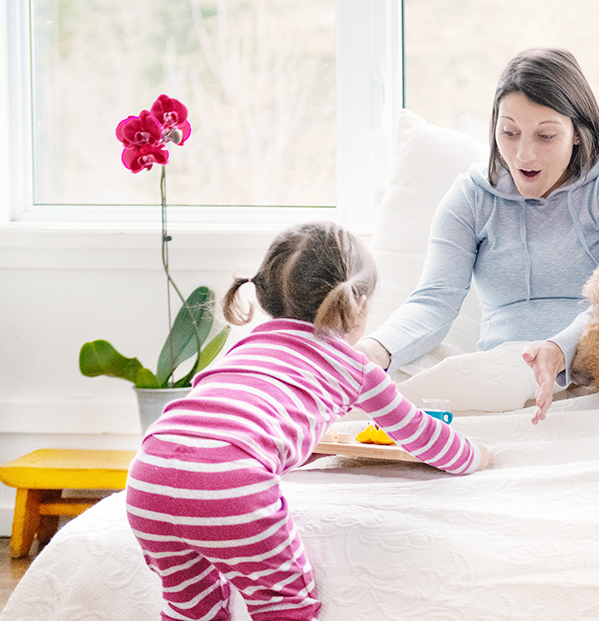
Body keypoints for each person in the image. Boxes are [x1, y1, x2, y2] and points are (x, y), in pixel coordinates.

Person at [125, 221, 492, 621]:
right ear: (359, 304)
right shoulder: (355, 366)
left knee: (190, 606)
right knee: (282, 602)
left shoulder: (244, 347)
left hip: (148, 475)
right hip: (231, 485)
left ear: (265, 294)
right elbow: (417, 433)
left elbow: (226, 417)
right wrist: (475, 455)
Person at [356, 47, 599, 423]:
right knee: (378, 403)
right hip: (502, 376)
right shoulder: (471, 196)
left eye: (545, 136)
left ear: (578, 134)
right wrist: (373, 350)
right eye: (510, 132)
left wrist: (558, 350)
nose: (523, 156)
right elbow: (434, 302)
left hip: (597, 375)